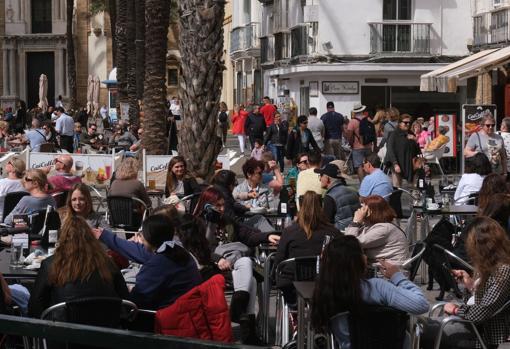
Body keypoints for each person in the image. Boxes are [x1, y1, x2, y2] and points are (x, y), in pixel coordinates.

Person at [194, 187, 279, 344]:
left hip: (232, 264)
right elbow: (199, 248)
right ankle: (248, 331)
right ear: (206, 205)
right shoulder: (197, 223)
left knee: (246, 263)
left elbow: (248, 233)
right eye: (217, 205)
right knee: (251, 280)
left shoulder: (226, 220)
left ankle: (239, 309)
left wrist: (268, 236)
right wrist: (217, 258)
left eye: (222, 204)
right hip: (208, 267)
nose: (221, 208)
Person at [311, 235, 429, 349]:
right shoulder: (377, 288)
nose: (366, 257)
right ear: (356, 260)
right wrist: (397, 276)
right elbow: (422, 304)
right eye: (363, 253)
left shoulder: (325, 294)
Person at [421, 217, 510, 349]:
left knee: (421, 331)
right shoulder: (489, 266)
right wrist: (469, 284)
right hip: (473, 326)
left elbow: (481, 312)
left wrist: (456, 310)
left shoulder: (503, 271)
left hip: (481, 335)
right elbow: (478, 301)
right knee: (420, 326)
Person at [28, 215, 129, 318]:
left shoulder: (51, 263)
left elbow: (35, 305)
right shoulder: (108, 263)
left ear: (62, 237)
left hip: (64, 329)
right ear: (91, 237)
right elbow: (125, 299)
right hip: (105, 327)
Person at [93, 215, 202, 310]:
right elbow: (137, 251)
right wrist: (105, 236)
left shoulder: (158, 264)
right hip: (188, 309)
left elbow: (136, 302)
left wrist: (123, 288)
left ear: (149, 237)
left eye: (141, 234)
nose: (140, 237)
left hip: (165, 319)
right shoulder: (177, 249)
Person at [274, 191, 341, 305]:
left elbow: (279, 261)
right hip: (325, 283)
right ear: (321, 207)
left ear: (301, 207)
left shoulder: (289, 232)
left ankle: (294, 316)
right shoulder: (333, 232)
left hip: (292, 284)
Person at [345, 195, 409, 265]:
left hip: (388, 272)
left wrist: (356, 222)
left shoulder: (384, 229)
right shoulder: (373, 226)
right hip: (379, 269)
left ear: (371, 212)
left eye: (363, 208)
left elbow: (351, 243)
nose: (359, 211)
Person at [316, 162, 360, 230]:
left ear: (327, 178)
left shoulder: (330, 197)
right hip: (357, 230)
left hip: (341, 234)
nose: (319, 179)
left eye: (321, 175)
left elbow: (326, 222)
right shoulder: (354, 190)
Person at [386, 113, 422, 187]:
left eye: (409, 122)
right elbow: (390, 150)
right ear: (399, 123)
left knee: (415, 187)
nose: (408, 124)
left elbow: (418, 150)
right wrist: (395, 164)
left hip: (410, 164)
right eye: (405, 122)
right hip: (398, 163)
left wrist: (415, 140)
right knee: (397, 187)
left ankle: (415, 197)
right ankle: (396, 198)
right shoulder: (393, 134)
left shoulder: (411, 133)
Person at [347, 103, 374, 181]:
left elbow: (349, 135)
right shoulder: (368, 120)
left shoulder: (352, 122)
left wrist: (351, 144)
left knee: (359, 166)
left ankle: (363, 184)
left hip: (357, 147)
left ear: (355, 112)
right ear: (362, 110)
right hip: (368, 146)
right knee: (368, 165)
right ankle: (370, 182)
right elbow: (373, 133)